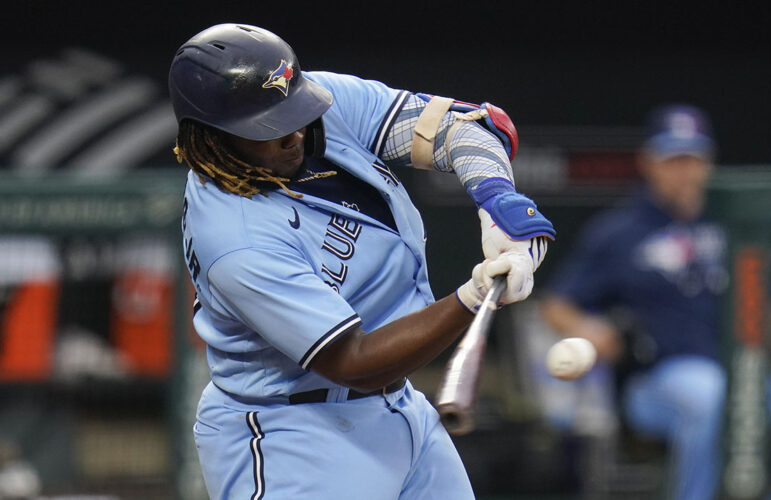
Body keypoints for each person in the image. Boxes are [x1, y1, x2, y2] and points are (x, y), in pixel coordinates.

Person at [168, 23, 555, 499]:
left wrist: (496, 198)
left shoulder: (318, 102)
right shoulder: (233, 238)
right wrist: (473, 297)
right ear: (211, 137)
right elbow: (355, 362)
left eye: (294, 112)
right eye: (268, 128)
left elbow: (464, 127)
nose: (293, 134)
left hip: (401, 409)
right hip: (295, 433)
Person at [540, 104, 771, 500]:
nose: (685, 171)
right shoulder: (619, 231)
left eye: (693, 159)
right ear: (649, 162)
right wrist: (586, 327)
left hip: (752, 374)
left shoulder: (734, 220)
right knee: (710, 396)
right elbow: (557, 303)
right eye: (673, 160)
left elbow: (769, 294)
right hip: (661, 381)